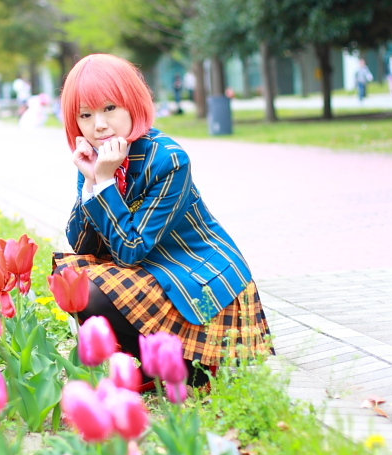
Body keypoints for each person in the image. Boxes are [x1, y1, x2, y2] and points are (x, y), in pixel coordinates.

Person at [52, 54, 273, 392]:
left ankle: (190, 368)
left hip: (196, 278)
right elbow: (83, 244)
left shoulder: (168, 159)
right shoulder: (97, 158)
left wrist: (105, 182)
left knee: (92, 291)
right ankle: (156, 364)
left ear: (132, 103)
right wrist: (92, 181)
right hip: (153, 269)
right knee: (72, 281)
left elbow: (129, 251)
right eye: (86, 114)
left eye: (109, 108)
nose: (99, 125)